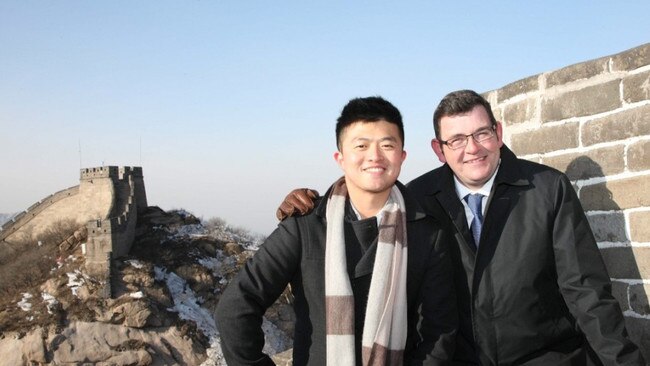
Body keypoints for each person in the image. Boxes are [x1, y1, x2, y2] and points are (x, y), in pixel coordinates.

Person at [276, 90, 645, 365]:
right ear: (439, 149)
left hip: (546, 358)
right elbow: (364, 200)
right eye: (456, 139)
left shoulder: (547, 189)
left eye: (482, 133)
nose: (472, 149)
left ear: (498, 133)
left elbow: (586, 292)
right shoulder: (418, 197)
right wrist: (312, 206)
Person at [216, 96, 457, 366]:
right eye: (361, 145)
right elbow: (235, 308)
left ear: (402, 156)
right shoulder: (305, 226)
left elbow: (439, 332)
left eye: (387, 145)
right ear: (340, 158)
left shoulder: (425, 233)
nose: (374, 156)